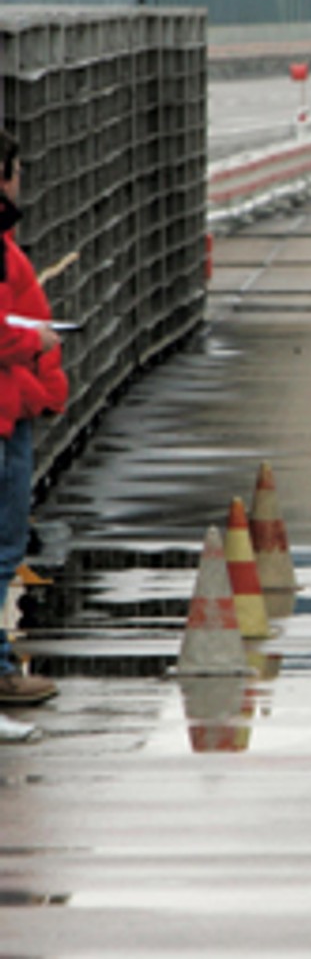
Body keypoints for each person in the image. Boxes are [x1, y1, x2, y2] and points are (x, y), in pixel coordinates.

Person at [0, 129, 67, 706]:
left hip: (11, 406)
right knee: (2, 547)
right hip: (2, 414)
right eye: (17, 169)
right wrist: (34, 346)